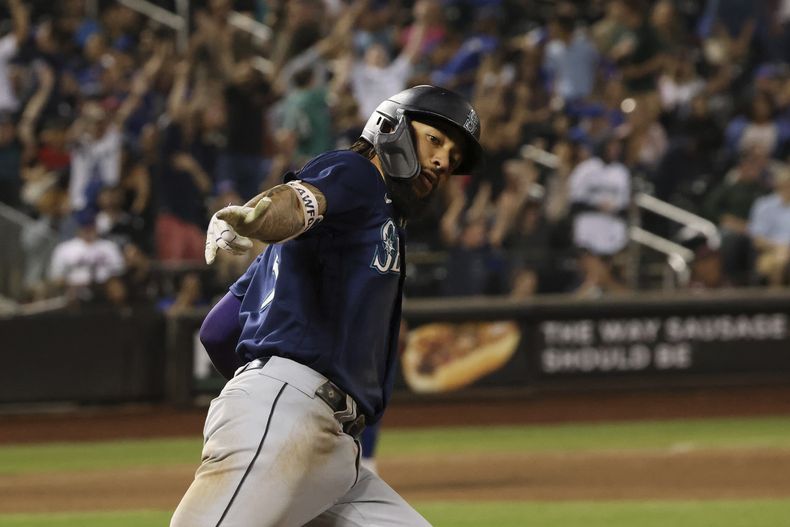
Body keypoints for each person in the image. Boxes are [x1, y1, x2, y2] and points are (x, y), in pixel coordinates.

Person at [171, 85, 482, 527]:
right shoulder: (358, 174)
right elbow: (300, 202)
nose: (441, 162)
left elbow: (218, 331)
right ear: (391, 127)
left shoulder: (356, 228)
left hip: (331, 450)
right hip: (287, 417)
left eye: (451, 158)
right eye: (435, 140)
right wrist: (258, 218)